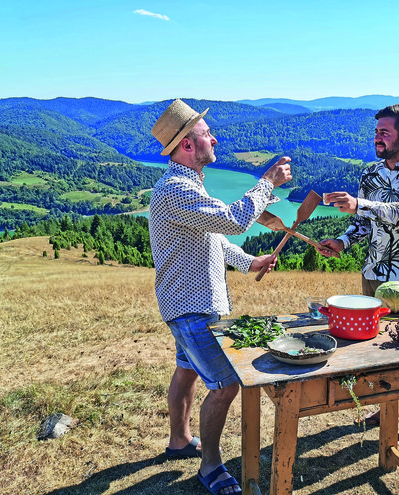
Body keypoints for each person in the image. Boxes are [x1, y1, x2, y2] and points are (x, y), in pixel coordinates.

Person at [149, 99, 292, 495]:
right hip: (193, 310)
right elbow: (232, 220)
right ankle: (210, 466)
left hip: (186, 306)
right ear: (188, 147)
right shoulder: (176, 189)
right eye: (205, 133)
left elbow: (212, 239)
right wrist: (267, 182)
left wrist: (249, 262)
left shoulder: (187, 186)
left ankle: (179, 440)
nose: (214, 137)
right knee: (227, 384)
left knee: (187, 370)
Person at [317, 104, 399, 454]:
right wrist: (341, 241)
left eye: (384, 132)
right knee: (372, 345)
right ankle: (380, 405)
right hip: (373, 273)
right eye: (376, 132)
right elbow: (364, 223)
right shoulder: (370, 174)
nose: (377, 138)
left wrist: (360, 205)